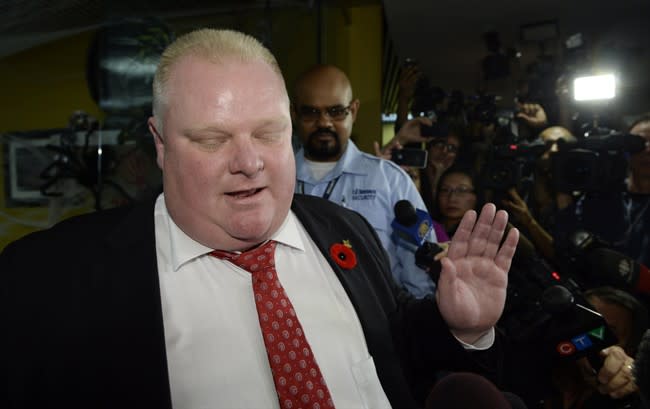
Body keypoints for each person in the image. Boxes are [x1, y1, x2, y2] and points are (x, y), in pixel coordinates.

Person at [1, 28, 524, 409]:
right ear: (159, 144)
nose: (249, 163)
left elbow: (397, 356)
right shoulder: (46, 282)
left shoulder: (346, 230)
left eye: (270, 133)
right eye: (212, 139)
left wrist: (461, 328)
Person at [292, 64, 440, 298]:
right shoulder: (275, 182)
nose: (324, 123)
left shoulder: (389, 180)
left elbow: (420, 272)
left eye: (336, 111)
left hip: (378, 326)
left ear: (354, 110)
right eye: (311, 112)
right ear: (294, 114)